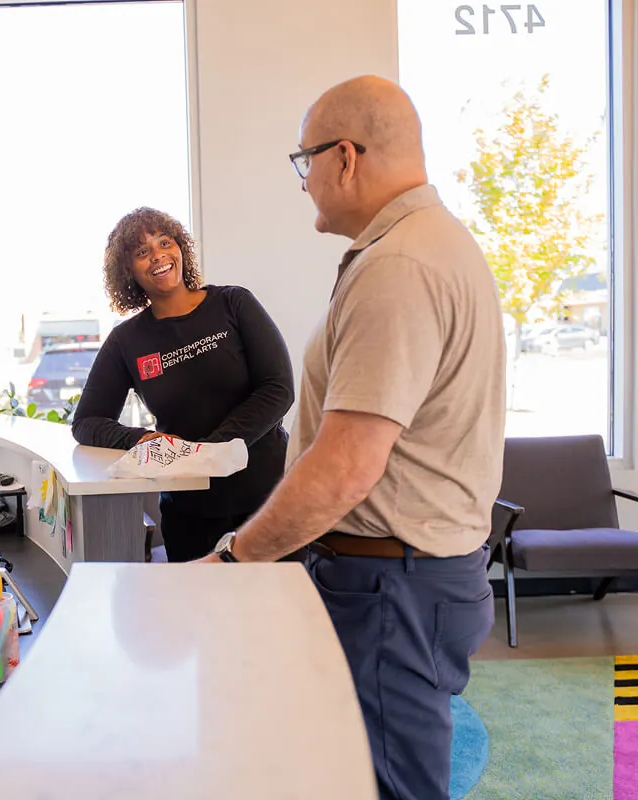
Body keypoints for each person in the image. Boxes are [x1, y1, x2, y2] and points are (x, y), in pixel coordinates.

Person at [200, 76, 503, 800]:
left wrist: (235, 558)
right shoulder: (426, 245)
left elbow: (345, 469)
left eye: (305, 163)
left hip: (391, 584)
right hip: (403, 576)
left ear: (345, 157)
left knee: (390, 784)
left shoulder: (398, 266)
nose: (303, 185)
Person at [72, 207, 294, 562]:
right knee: (198, 616)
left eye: (164, 242)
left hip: (268, 498)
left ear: (180, 248)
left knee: (280, 614)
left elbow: (278, 388)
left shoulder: (234, 303)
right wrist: (143, 439)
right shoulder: (126, 341)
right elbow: (86, 422)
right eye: (142, 252)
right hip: (192, 514)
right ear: (128, 271)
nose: (158, 255)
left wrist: (206, 451)